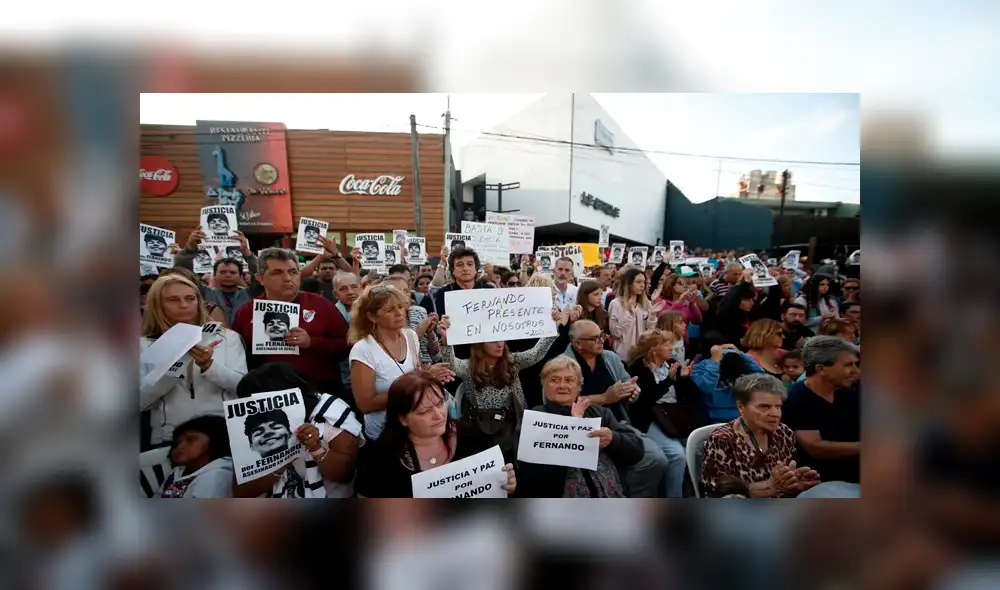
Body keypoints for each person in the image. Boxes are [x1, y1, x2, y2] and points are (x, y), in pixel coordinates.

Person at [355, 371, 516, 498]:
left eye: (440, 404)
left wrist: (506, 482)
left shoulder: (470, 436)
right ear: (403, 419)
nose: (439, 415)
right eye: (425, 411)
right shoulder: (382, 457)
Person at [562, 320, 670, 497]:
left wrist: (632, 393)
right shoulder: (562, 365)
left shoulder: (610, 357)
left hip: (618, 424)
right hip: (582, 433)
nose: (602, 340)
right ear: (578, 344)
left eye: (602, 335)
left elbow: (629, 384)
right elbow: (561, 402)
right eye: (595, 338)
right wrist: (604, 398)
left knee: (656, 460)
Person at [436, 310, 565, 459]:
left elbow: (536, 354)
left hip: (515, 427)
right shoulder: (469, 367)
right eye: (493, 341)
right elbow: (452, 365)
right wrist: (445, 340)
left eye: (502, 340)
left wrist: (552, 327)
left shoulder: (512, 361)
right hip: (483, 431)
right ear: (480, 343)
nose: (500, 344)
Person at [140, 275, 247, 449]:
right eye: (173, 300)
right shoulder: (144, 345)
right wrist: (174, 368)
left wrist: (209, 367)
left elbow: (242, 386)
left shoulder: (227, 338)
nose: (183, 305)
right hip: (170, 438)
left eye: (190, 298)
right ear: (157, 304)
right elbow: (140, 401)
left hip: (223, 433)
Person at [516, 357, 644, 497]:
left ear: (579, 386)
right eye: (555, 380)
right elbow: (527, 470)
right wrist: (574, 429)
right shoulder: (534, 418)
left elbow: (636, 451)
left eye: (569, 380)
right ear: (544, 385)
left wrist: (613, 439)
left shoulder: (599, 413)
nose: (562, 386)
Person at [232, 248, 350, 396]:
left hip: (320, 391)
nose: (287, 278)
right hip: (268, 394)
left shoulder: (322, 306)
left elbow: (345, 345)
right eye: (277, 272)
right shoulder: (246, 312)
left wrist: (311, 342)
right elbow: (236, 355)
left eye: (293, 272)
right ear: (260, 278)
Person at [233, 363, 363, 498]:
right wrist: (278, 463)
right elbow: (241, 493)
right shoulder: (254, 433)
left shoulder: (330, 412)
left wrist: (317, 448)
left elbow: (345, 475)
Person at [349, 283, 454, 441]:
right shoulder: (363, 350)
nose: (399, 313)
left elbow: (417, 372)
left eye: (400, 307)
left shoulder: (410, 336)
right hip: (385, 434)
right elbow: (366, 405)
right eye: (390, 310)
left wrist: (432, 376)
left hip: (417, 429)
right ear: (372, 317)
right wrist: (422, 379)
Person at [700, 374, 820, 497]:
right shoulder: (723, 439)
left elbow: (786, 483)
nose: (775, 414)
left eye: (778, 406)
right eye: (764, 407)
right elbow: (716, 494)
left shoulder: (784, 432)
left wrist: (794, 483)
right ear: (741, 407)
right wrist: (768, 489)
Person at [627, 329, 700, 498]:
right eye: (666, 344)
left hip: (674, 415)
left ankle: (695, 492)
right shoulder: (638, 368)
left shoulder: (672, 364)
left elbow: (690, 395)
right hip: (651, 418)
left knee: (697, 448)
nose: (671, 348)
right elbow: (646, 399)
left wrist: (684, 378)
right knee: (677, 455)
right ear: (653, 349)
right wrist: (668, 381)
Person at [783, 336, 861, 490]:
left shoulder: (850, 391)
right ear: (821, 369)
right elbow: (816, 448)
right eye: (848, 365)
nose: (855, 371)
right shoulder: (796, 398)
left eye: (856, 364)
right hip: (822, 482)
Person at [156, 415, 234, 498]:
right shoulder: (178, 472)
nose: (180, 447)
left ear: (216, 440)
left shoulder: (214, 477)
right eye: (178, 442)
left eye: (190, 439)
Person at [690, 343, 767, 423]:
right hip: (713, 421)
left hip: (742, 418)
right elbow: (706, 387)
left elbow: (764, 379)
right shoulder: (703, 367)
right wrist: (715, 362)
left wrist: (739, 354)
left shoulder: (744, 370)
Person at [383, 274, 440, 365]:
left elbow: (436, 354)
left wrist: (430, 333)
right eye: (398, 291)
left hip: (429, 368)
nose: (404, 294)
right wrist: (420, 330)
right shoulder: (385, 320)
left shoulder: (419, 311)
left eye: (406, 290)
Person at [608, 268, 661, 361]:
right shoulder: (616, 304)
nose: (642, 285)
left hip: (642, 354)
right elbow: (616, 333)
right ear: (628, 284)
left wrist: (652, 315)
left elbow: (650, 331)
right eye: (638, 282)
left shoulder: (646, 303)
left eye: (644, 282)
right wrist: (629, 314)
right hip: (623, 356)